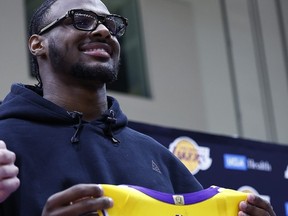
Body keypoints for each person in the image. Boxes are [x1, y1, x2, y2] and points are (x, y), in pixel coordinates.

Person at [0, 0, 276, 215]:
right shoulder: (5, 141)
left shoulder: (158, 157)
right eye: (81, 20)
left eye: (110, 23)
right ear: (38, 44)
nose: (104, 30)